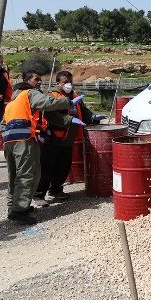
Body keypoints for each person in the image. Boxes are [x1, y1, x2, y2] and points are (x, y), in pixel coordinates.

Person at [3, 70, 75, 224]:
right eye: (36, 79)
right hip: (25, 140)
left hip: (9, 142)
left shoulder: (12, 101)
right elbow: (47, 103)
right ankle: (19, 210)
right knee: (27, 175)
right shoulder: (30, 93)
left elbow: (3, 125)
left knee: (14, 176)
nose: (39, 82)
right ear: (27, 81)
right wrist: (68, 102)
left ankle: (13, 206)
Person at [34, 71, 107, 206]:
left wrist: (93, 117)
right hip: (52, 138)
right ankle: (39, 194)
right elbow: (50, 116)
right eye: (65, 82)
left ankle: (55, 190)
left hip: (67, 140)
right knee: (47, 167)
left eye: (70, 82)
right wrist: (69, 119)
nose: (68, 85)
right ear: (58, 83)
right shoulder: (51, 96)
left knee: (63, 167)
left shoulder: (75, 96)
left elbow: (84, 112)